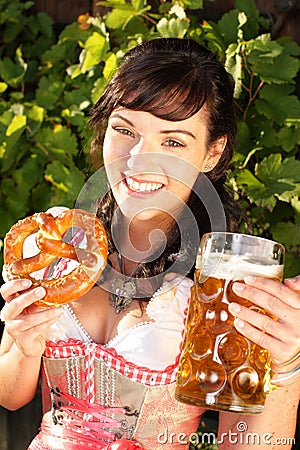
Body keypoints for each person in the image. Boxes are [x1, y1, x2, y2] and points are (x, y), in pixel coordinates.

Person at [0, 38, 299, 450]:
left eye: (173, 142)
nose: (139, 159)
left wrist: (285, 369)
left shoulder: (223, 285)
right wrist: (24, 344)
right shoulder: (59, 246)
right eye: (125, 130)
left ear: (213, 153)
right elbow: (11, 395)